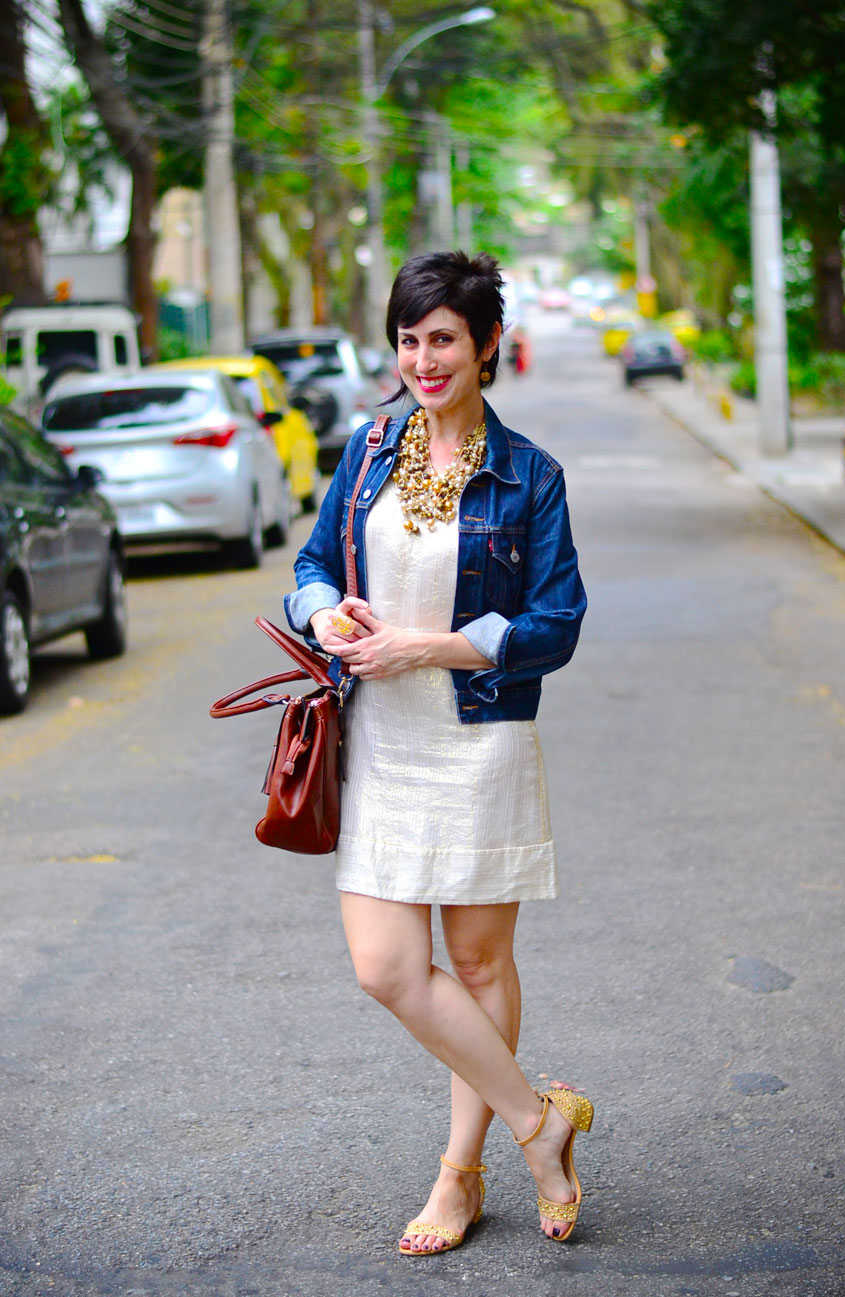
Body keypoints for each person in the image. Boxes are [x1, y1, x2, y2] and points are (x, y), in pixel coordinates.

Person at [284, 250, 592, 1256]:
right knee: (384, 967)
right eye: (409, 339)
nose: (423, 359)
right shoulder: (370, 449)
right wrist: (325, 615)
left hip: (480, 738)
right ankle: (541, 1123)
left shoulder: (530, 474)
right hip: (379, 738)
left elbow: (556, 623)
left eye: (444, 339)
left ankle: (459, 1174)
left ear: (487, 344)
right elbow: (312, 564)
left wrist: (427, 646)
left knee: (477, 961)